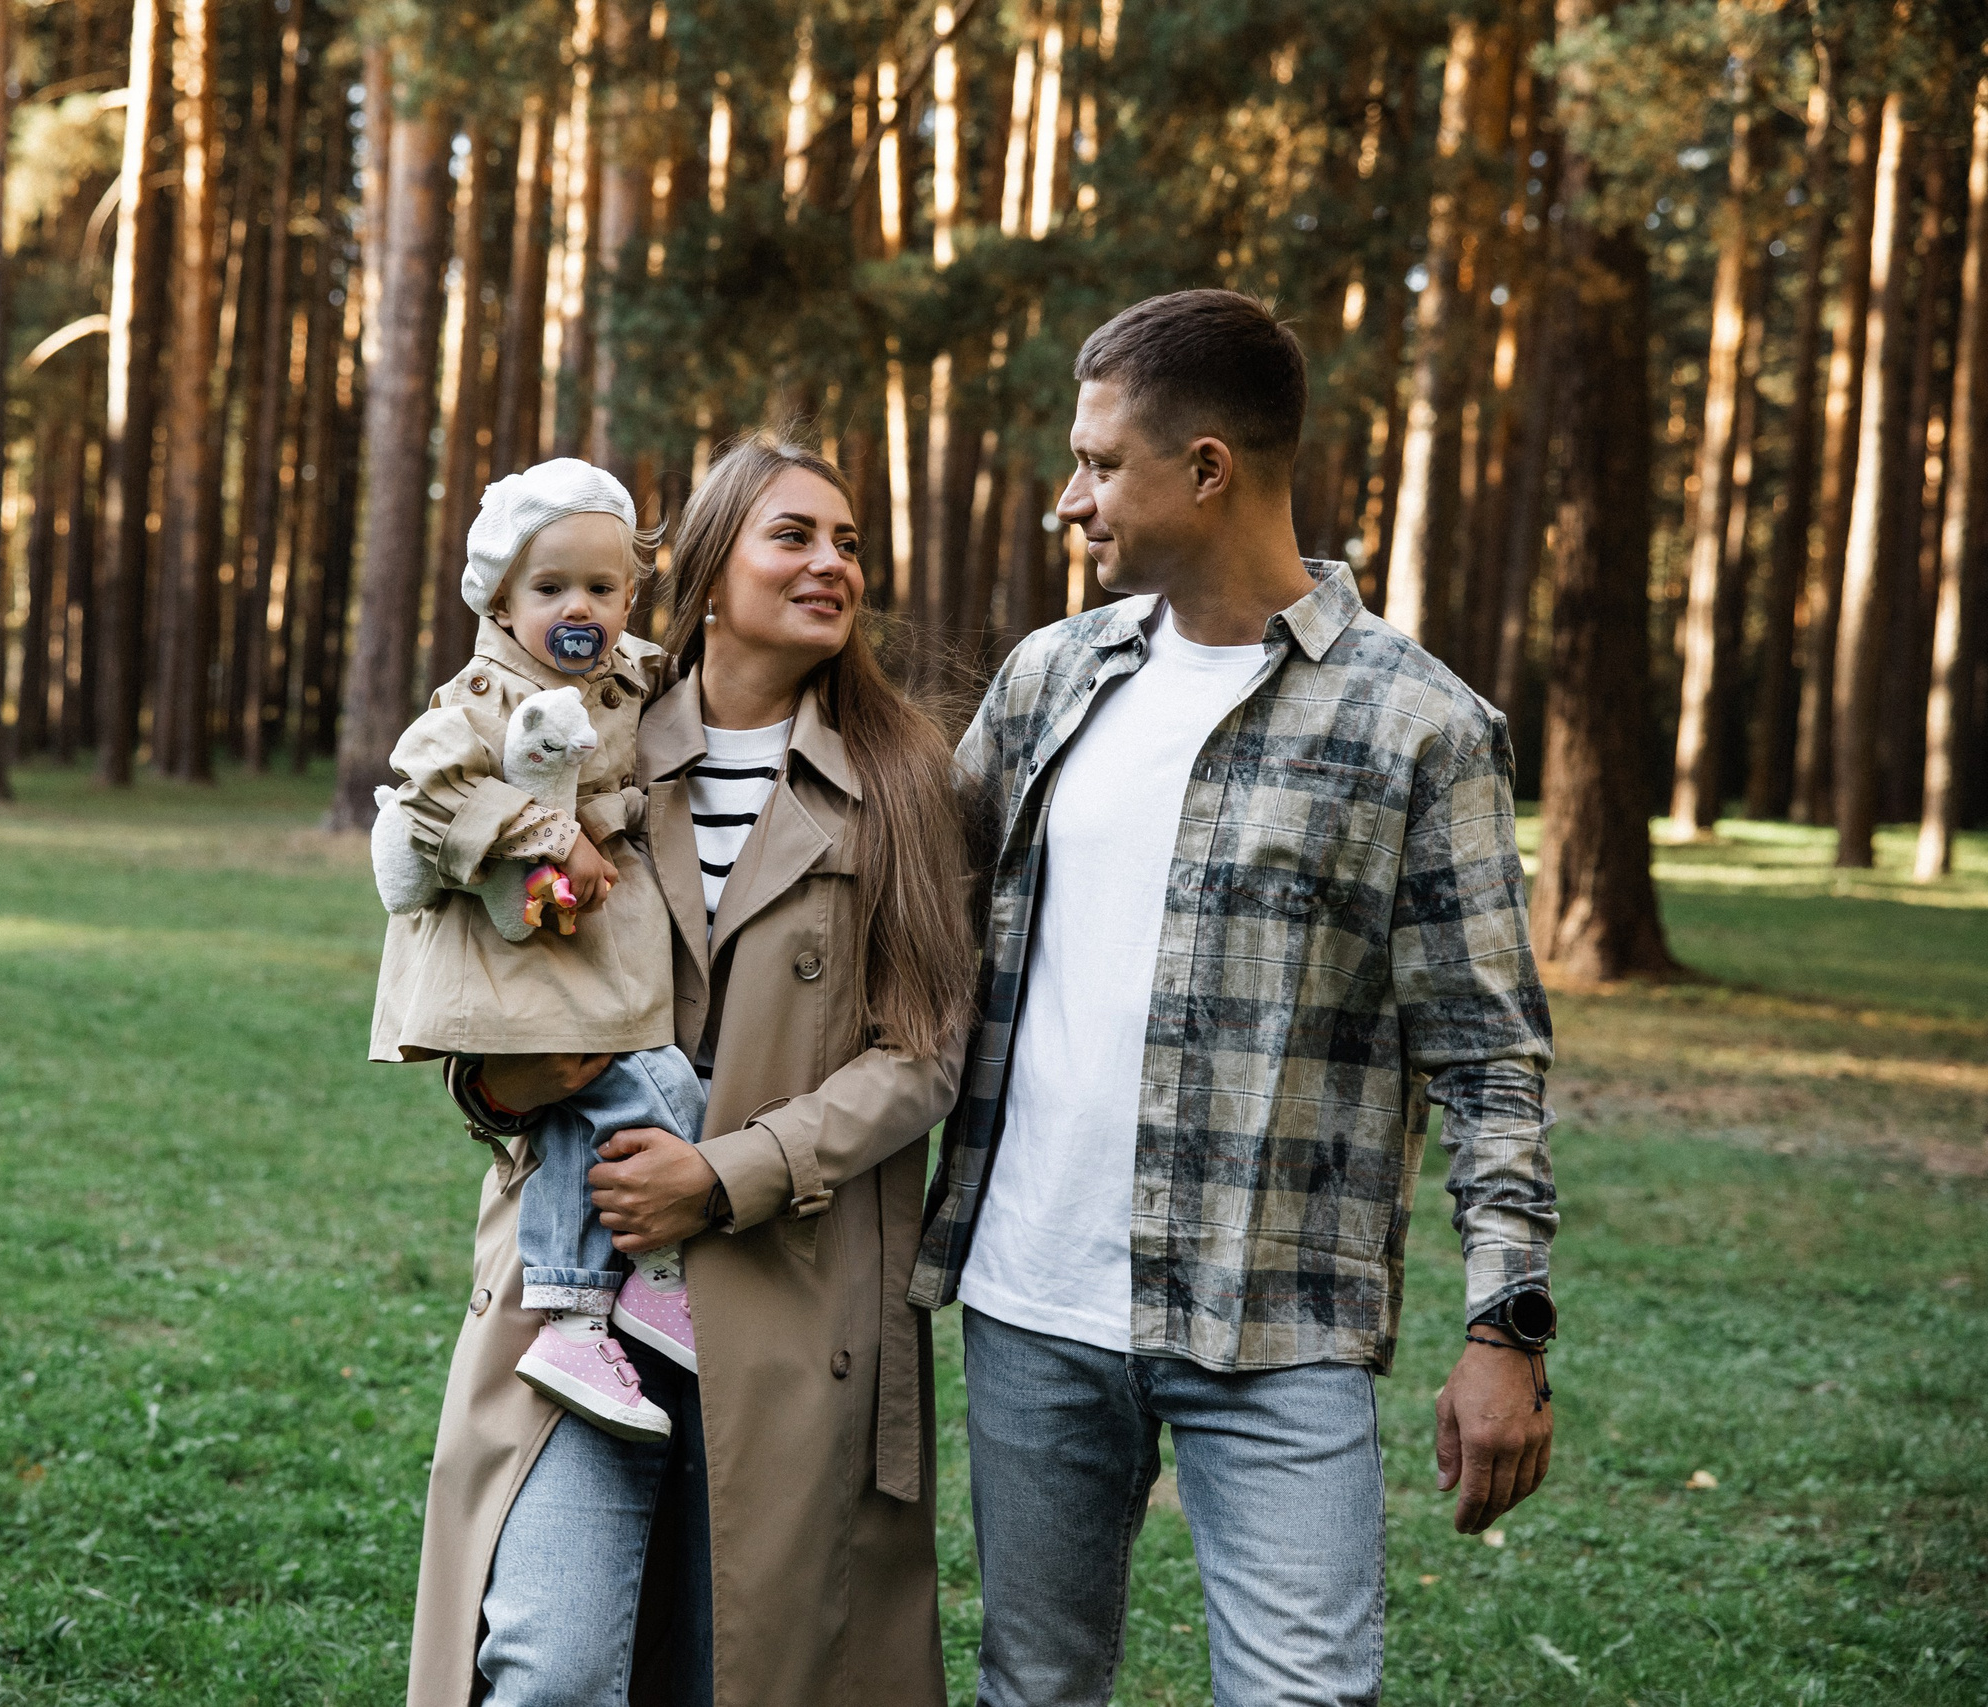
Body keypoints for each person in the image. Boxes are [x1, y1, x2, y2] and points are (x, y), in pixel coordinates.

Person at [910, 290, 1559, 1706]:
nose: (1068, 497)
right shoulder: (1048, 678)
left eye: (1097, 462)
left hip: (1278, 1321)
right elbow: (896, 903)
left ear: (1205, 468)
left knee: (1305, 1692)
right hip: (1030, 1300)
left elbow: (1489, 1054)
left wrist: (1504, 1325)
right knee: (1036, 1683)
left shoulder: (1419, 726)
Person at [404, 436, 976, 1707]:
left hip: (794, 1293)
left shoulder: (903, 778)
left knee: (745, 1672)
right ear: (710, 571)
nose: (833, 563)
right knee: (547, 1667)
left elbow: (927, 1052)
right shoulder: (583, 746)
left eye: (849, 542)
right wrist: (503, 1087)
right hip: (578, 1285)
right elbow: (477, 976)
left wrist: (721, 1176)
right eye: (795, 536)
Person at [369, 456, 704, 1444]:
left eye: (602, 588)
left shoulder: (624, 674)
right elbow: (429, 795)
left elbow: (641, 740)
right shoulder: (481, 693)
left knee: (608, 1104)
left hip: (580, 942)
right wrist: (554, 836)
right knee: (641, 1096)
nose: (580, 607)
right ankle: (592, 1302)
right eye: (550, 586)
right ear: (503, 600)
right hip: (520, 949)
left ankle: (602, 1305)